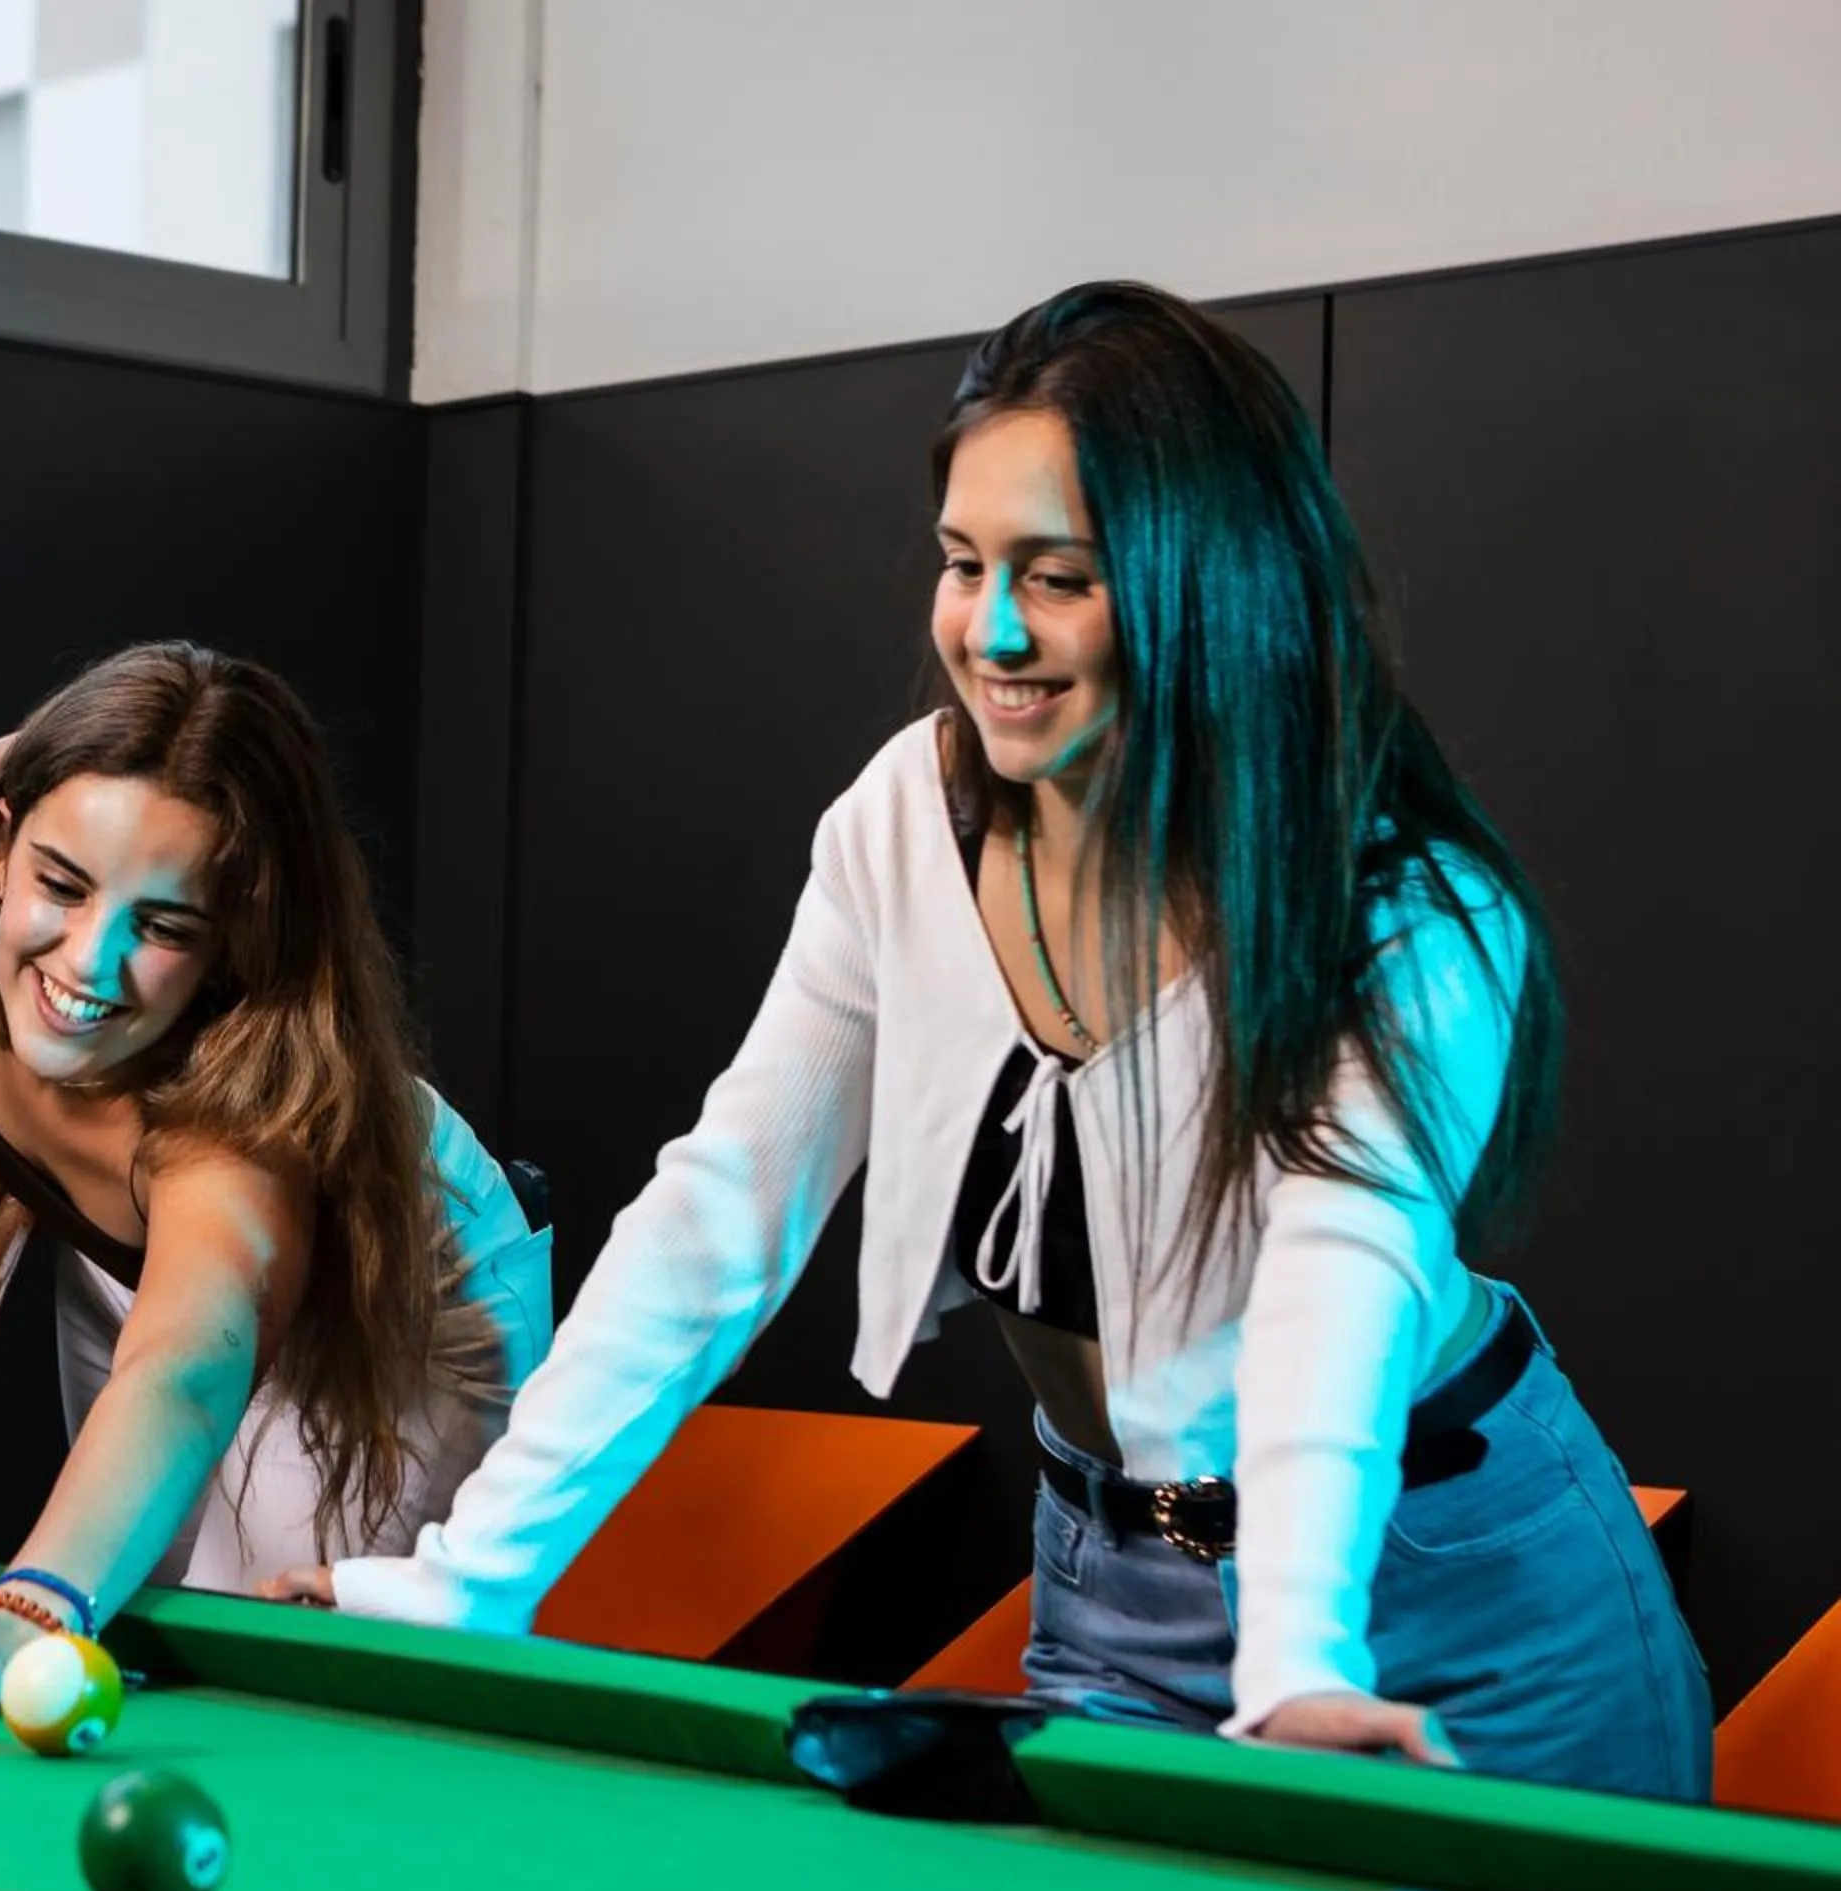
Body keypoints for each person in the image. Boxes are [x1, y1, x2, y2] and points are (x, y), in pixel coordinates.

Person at [265, 282, 1711, 1799]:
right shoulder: (909, 816)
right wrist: (471, 1577)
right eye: (964, 565)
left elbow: (1333, 1280)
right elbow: (724, 1213)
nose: (992, 628)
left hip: (1458, 1593)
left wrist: (1296, 1659)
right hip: (1119, 1585)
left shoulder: (1406, 909)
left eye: (1058, 576)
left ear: (1202, 579)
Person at [0, 643, 551, 1722]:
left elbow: (182, 1367)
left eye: (164, 926)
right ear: (2, 845)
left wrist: (25, 1607)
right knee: (136, 1610)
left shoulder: (239, 1129)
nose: (87, 963)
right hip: (133, 1240)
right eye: (62, 884)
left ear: (231, 944)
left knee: (282, 1657)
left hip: (397, 1296)